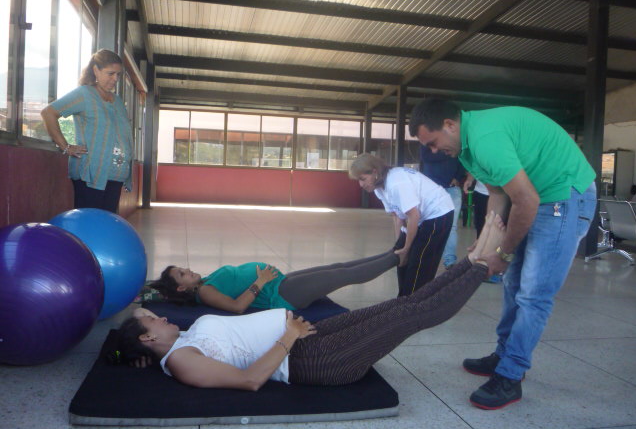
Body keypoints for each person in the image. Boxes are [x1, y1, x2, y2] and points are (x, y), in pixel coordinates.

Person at [107, 213, 505, 392]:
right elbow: (249, 381)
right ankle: (481, 267)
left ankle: (471, 260)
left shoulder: (174, 341)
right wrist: (289, 337)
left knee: (398, 305)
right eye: (153, 322)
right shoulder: (181, 361)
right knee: (411, 314)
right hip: (311, 359)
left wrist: (135, 350)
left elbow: (140, 314)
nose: (158, 316)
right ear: (147, 340)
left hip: (304, 337)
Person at [409, 98, 596, 410]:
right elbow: (497, 194)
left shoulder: (485, 140)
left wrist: (503, 254)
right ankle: (504, 354)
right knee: (511, 285)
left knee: (534, 294)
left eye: (432, 142)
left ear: (450, 125)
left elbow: (526, 200)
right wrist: (487, 242)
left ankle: (511, 375)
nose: (432, 151)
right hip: (538, 196)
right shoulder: (466, 147)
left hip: (564, 198)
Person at [149, 250, 399, 313]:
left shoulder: (204, 281)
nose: (188, 269)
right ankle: (399, 259)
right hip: (281, 296)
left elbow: (151, 287)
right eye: (182, 274)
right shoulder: (204, 293)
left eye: (183, 268)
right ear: (182, 288)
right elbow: (237, 308)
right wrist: (261, 280)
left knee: (337, 267)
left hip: (280, 283)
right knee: (342, 276)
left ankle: (394, 253)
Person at [41, 49, 133, 213]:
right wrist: (66, 146)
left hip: (115, 175)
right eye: (110, 73)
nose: (115, 79)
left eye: (118, 75)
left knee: (106, 224)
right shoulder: (84, 94)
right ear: (96, 70)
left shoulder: (118, 102)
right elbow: (49, 113)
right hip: (91, 174)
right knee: (89, 223)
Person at [349, 153, 454, 297]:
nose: (361, 185)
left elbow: (413, 215)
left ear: (374, 172)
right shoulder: (379, 187)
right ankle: (403, 297)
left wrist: (407, 248)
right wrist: (401, 245)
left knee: (419, 261)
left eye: (362, 179)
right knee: (400, 257)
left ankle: (414, 302)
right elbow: (397, 216)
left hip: (439, 212)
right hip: (420, 215)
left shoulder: (396, 183)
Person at [420, 146, 467, 269]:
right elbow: (426, 157)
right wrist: (450, 152)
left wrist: (458, 177)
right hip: (431, 189)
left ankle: (450, 261)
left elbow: (463, 160)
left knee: (452, 227)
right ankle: (426, 259)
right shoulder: (428, 141)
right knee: (428, 224)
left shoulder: (453, 140)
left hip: (452, 188)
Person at [463, 175, 500, 284]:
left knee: (497, 231)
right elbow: (475, 166)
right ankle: (482, 266)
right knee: (481, 231)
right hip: (481, 193)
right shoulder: (476, 159)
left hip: (500, 195)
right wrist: (470, 179)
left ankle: (496, 269)